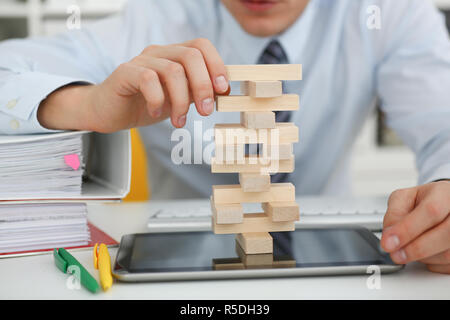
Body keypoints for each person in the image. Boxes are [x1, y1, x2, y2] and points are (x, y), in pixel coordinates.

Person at [0, 0, 449, 274]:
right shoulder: (155, 17)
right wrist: (88, 105)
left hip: (333, 254)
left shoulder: (386, 12)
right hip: (179, 257)